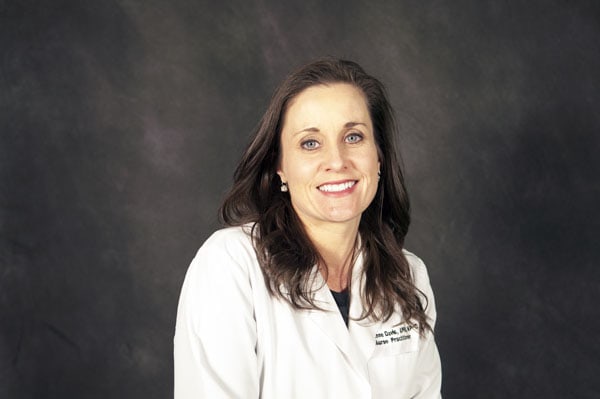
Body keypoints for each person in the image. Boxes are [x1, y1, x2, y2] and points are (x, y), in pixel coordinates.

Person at [174, 58, 442, 398]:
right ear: (280, 167)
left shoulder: (409, 275)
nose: (337, 161)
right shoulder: (230, 264)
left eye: (354, 136)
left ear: (379, 157)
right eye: (310, 143)